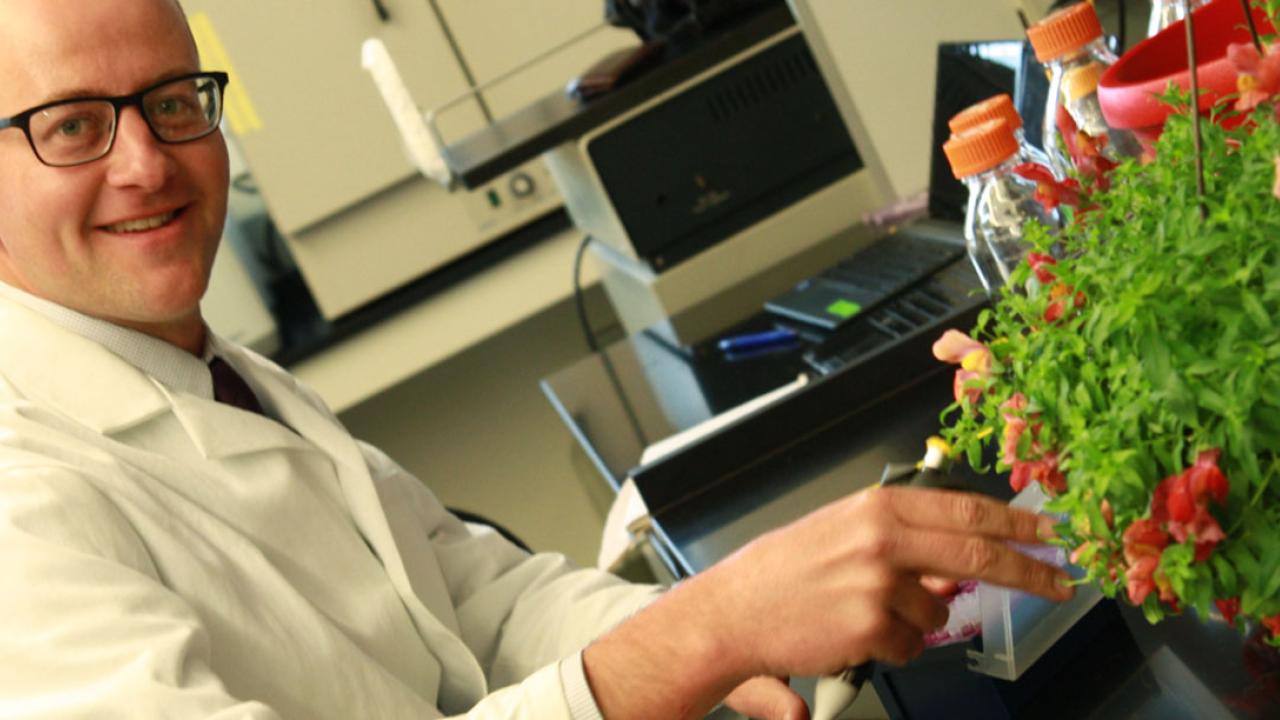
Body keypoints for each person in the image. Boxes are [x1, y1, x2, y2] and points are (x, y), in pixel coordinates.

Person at [0, 1, 1074, 718]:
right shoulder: (22, 504)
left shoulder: (202, 367)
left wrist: (729, 643)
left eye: (173, 102)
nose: (146, 162)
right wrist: (712, 629)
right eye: (72, 125)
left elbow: (484, 601)